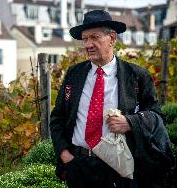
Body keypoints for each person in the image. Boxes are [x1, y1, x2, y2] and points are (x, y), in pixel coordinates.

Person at [49, 10, 175, 188]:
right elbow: (57, 118)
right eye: (85, 39)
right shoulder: (74, 74)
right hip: (78, 165)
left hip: (119, 167)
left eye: (94, 37)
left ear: (112, 38)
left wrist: (131, 122)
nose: (88, 44)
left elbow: (156, 117)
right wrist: (65, 155)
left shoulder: (137, 76)